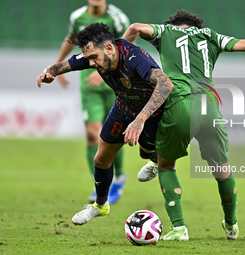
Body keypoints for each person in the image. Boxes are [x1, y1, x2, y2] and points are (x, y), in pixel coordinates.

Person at [122, 9, 245, 241]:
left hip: (179, 102)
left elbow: (136, 27)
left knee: (166, 165)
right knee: (222, 170)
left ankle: (179, 228)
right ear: (196, 27)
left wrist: (125, 65)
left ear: (175, 24)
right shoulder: (211, 36)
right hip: (209, 105)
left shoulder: (165, 31)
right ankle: (231, 225)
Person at [36, 22, 174, 225]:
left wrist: (139, 120)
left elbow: (166, 84)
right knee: (101, 159)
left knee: (145, 150)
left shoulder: (135, 58)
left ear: (110, 48)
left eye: (94, 58)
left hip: (150, 113)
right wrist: (49, 73)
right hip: (124, 107)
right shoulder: (96, 54)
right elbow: (62, 66)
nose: (91, 63)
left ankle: (154, 159)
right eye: (88, 58)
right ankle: (100, 206)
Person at [55, 0, 130, 204]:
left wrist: (104, 70)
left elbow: (125, 46)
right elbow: (71, 39)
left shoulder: (117, 18)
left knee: (113, 134)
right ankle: (99, 183)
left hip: (113, 82)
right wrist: (58, 66)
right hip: (89, 84)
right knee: (91, 134)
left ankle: (120, 176)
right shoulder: (77, 17)